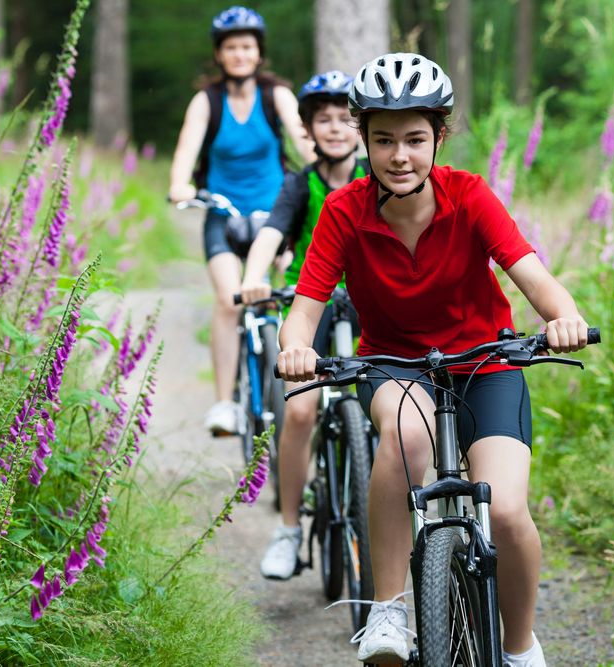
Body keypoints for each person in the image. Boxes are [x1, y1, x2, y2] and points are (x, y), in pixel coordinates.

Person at [276, 53, 590, 667]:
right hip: (393, 364)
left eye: (416, 139)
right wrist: (296, 348)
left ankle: (521, 645)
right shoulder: (344, 211)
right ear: (363, 138)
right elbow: (308, 303)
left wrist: (563, 317)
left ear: (439, 137)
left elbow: (534, 277)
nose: (399, 156)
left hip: (487, 362)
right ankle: (389, 610)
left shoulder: (470, 196)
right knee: (401, 438)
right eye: (384, 139)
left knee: (503, 508)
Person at [239, 70, 368, 580]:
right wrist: (253, 276)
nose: (335, 128)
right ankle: (289, 529)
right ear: (308, 130)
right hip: (305, 300)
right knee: (299, 412)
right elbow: (272, 233)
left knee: (390, 403)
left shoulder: (374, 177)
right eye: (324, 120)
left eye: (344, 119)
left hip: (366, 301)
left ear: (359, 128)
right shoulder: (300, 184)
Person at [168, 6, 314, 436]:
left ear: (259, 52)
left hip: (275, 213)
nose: (239, 54)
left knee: (280, 294)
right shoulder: (206, 102)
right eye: (231, 47)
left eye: (247, 46)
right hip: (223, 215)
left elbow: (305, 145)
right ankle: (224, 404)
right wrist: (180, 186)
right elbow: (185, 152)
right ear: (219, 54)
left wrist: (326, 168)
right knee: (228, 299)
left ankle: (299, 391)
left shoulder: (278, 97)